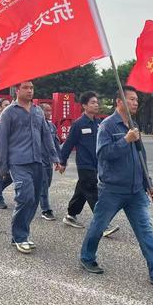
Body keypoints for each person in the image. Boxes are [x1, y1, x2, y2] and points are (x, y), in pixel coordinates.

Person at [79, 86, 153, 286]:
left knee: (146, 230)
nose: (135, 103)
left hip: (135, 191)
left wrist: (148, 184)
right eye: (131, 99)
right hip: (112, 189)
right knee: (98, 226)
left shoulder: (134, 125)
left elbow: (140, 157)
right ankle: (87, 257)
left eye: (136, 100)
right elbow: (103, 154)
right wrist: (125, 141)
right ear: (119, 102)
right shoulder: (107, 126)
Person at [0, 81, 60, 254]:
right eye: (26, 88)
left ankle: (20, 233)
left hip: (38, 161)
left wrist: (55, 157)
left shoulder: (38, 111)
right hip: (18, 162)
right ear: (17, 90)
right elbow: (2, 140)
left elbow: (46, 136)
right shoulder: (9, 113)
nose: (30, 91)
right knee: (25, 196)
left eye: (31, 88)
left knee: (34, 199)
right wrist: (0, 166)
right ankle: (20, 236)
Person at [59, 92, 120, 236]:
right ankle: (102, 224)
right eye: (92, 102)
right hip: (84, 163)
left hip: (97, 163)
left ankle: (70, 215)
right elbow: (68, 144)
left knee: (82, 190)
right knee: (92, 191)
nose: (96, 105)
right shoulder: (78, 124)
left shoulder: (99, 123)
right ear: (84, 106)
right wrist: (62, 161)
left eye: (97, 102)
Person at [39, 103, 61, 221]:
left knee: (47, 184)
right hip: (38, 160)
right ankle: (46, 209)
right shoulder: (36, 126)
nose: (49, 113)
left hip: (49, 160)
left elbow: (56, 144)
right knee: (43, 185)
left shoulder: (52, 126)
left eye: (50, 110)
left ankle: (35, 199)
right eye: (46, 111)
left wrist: (58, 159)